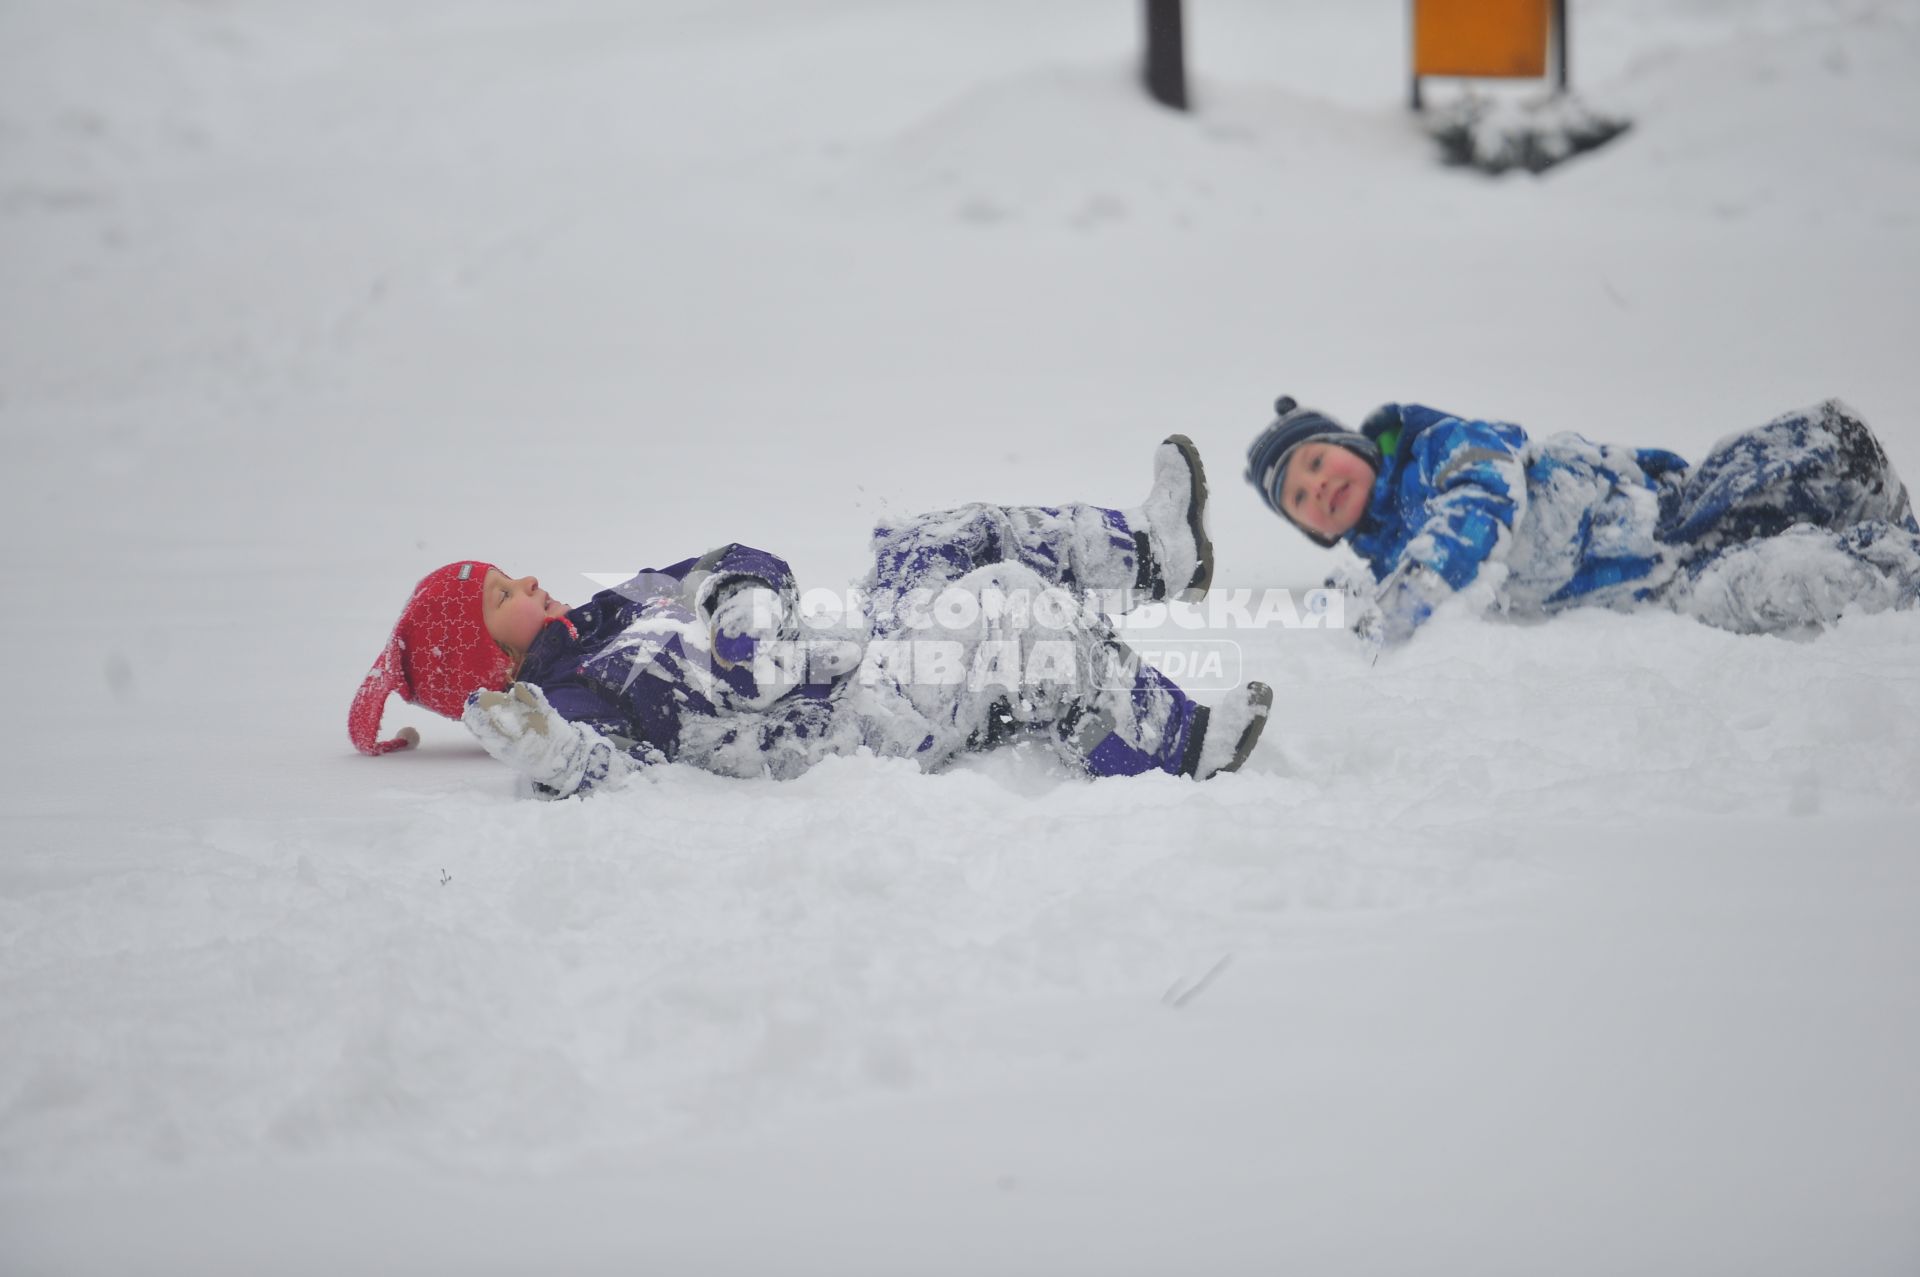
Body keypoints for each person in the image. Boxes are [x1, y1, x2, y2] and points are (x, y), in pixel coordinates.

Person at [351, 437, 1273, 797]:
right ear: (496, 669)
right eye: (502, 598)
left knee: (925, 542)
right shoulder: (580, 693)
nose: (528, 583)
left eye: (509, 575)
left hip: (849, 645)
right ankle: (1178, 743)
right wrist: (544, 745)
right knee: (1008, 611)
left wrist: (743, 601)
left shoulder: (610, 613)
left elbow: (729, 563)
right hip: (861, 721)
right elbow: (613, 773)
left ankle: (1156, 554)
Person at [1244, 395, 1920, 646]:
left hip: (1667, 519)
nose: (1318, 487)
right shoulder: (1391, 559)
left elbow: (1480, 502)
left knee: (1805, 462)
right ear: (1318, 531)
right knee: (1795, 582)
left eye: (1316, 461)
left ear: (1353, 445)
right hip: (1664, 586)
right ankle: (1899, 568)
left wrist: (1418, 586)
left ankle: (1865, 488)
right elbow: (1376, 598)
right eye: (1300, 500)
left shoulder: (1440, 450)